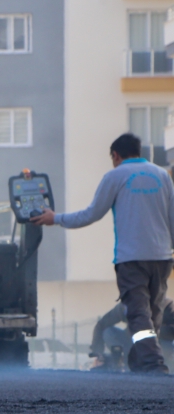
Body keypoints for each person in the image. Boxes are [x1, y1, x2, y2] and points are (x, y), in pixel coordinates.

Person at [33, 133, 174, 374]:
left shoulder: (115, 175)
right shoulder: (163, 175)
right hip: (162, 257)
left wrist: (54, 218)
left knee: (139, 313)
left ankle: (152, 365)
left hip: (132, 259)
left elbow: (91, 214)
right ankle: (141, 365)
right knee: (154, 313)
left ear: (116, 156)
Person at [90, 299, 174, 371]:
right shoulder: (127, 305)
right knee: (109, 332)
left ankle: (163, 369)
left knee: (168, 346)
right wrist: (98, 353)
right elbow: (101, 324)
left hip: (159, 345)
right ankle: (118, 361)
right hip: (132, 343)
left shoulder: (167, 305)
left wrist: (152, 331)